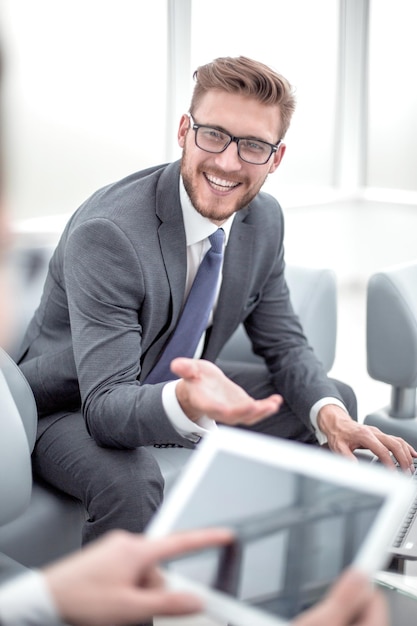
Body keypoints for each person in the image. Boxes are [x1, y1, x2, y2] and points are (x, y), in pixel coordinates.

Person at [0, 46, 389, 626]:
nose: (229, 162)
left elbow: (282, 343)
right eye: (213, 136)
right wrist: (184, 403)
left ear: (275, 158)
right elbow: (106, 406)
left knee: (330, 400)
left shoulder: (264, 220)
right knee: (130, 483)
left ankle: (278, 591)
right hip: (68, 403)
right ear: (184, 131)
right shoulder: (110, 232)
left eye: (253, 145)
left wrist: (330, 413)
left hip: (176, 377)